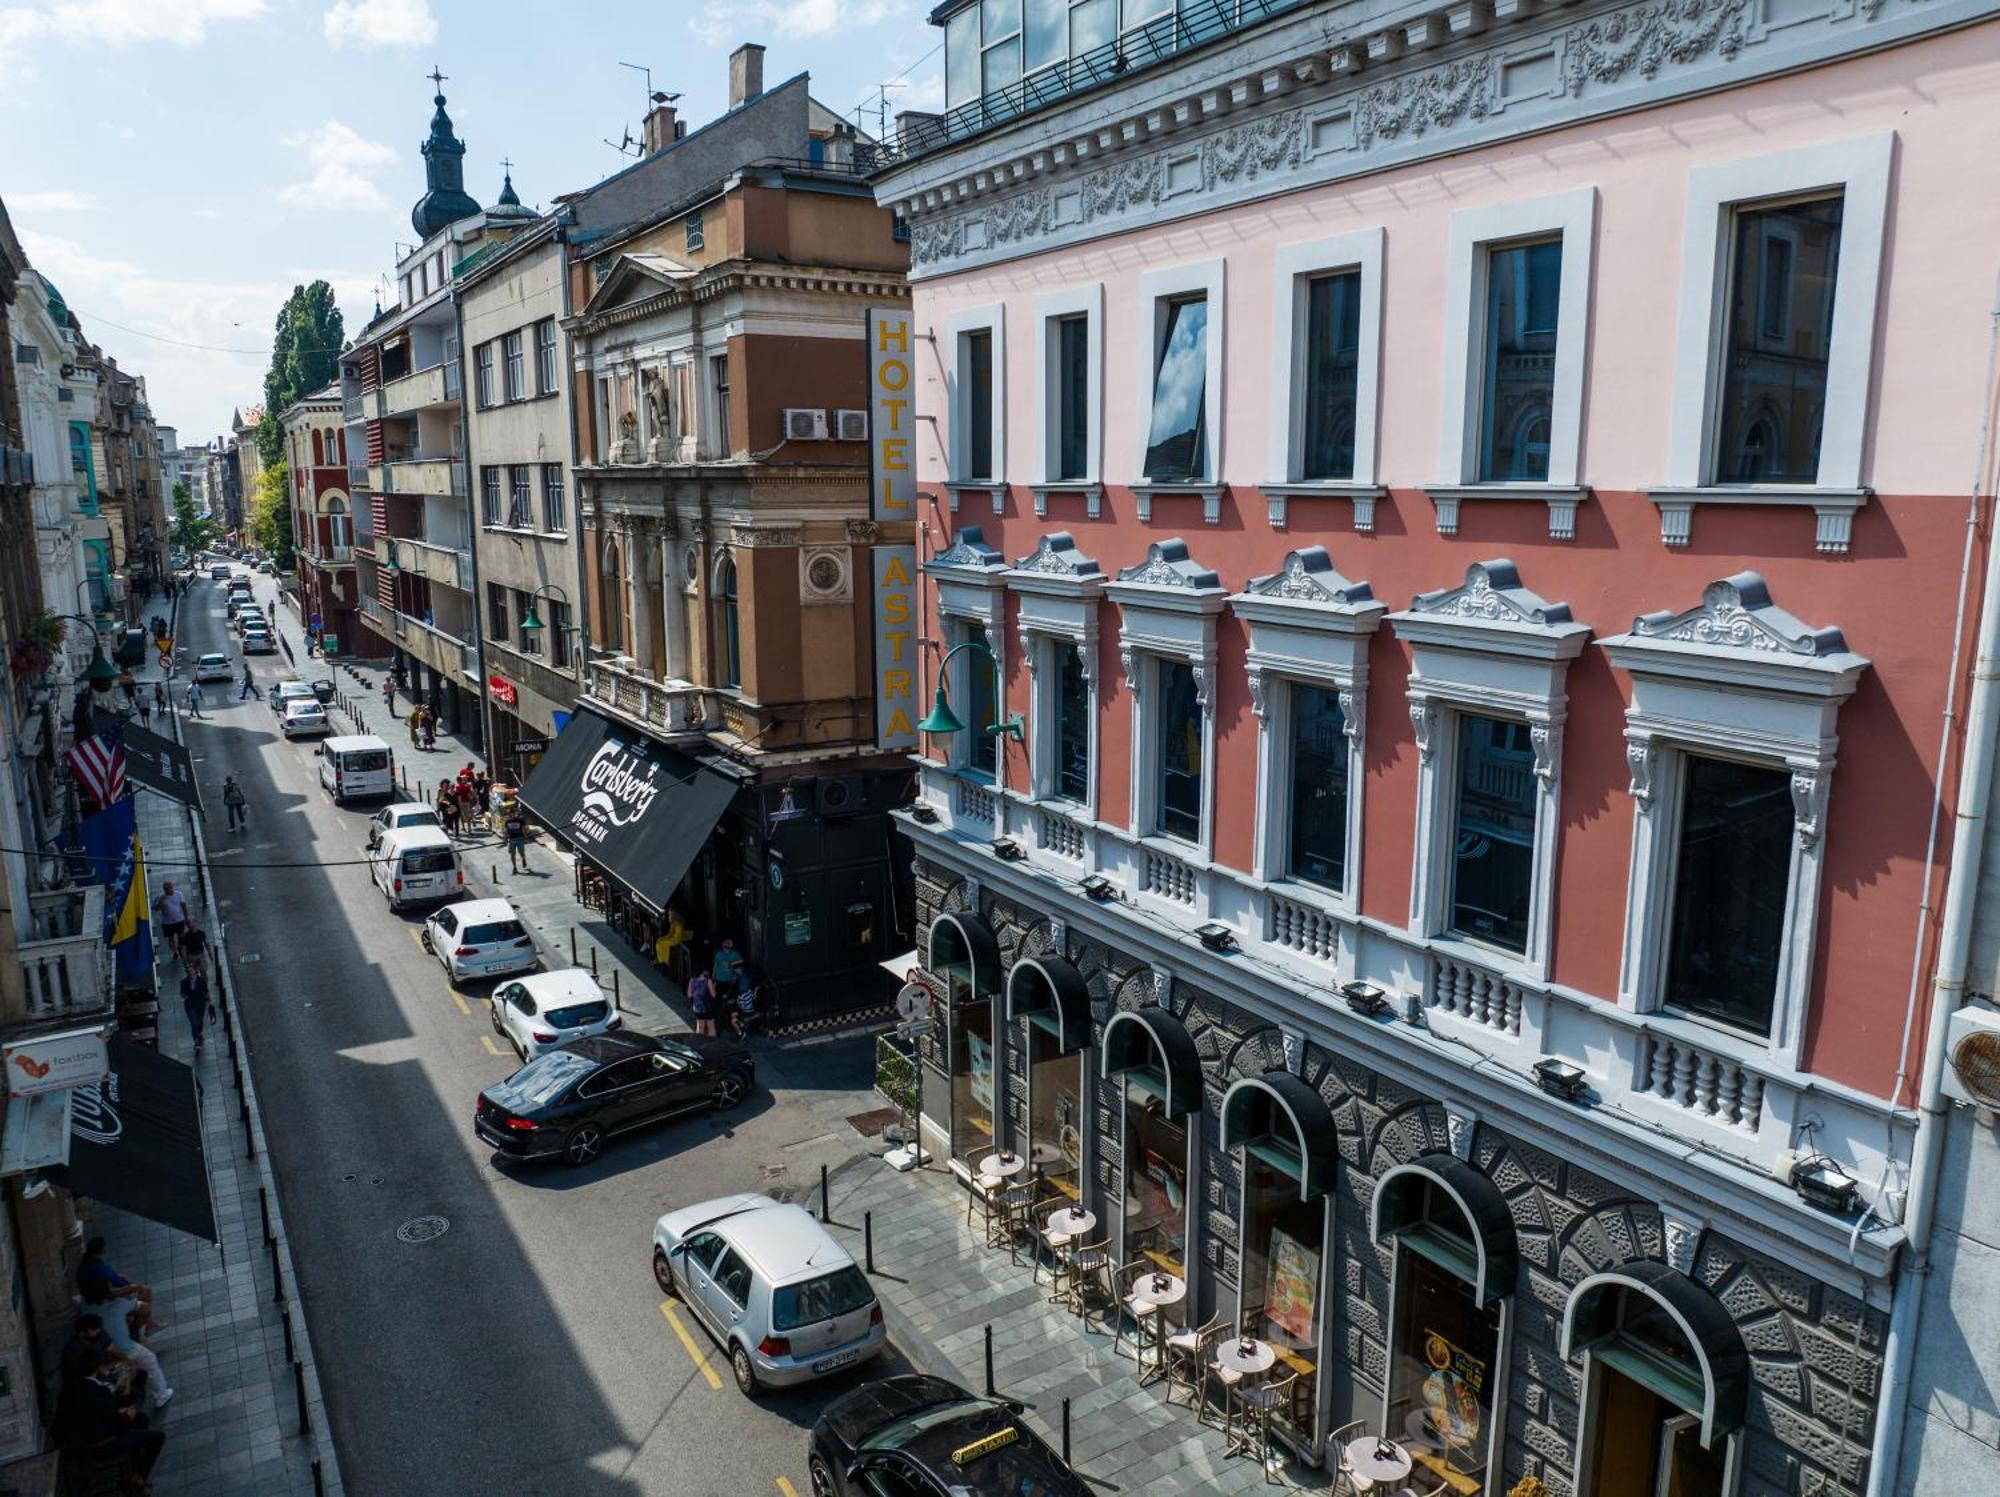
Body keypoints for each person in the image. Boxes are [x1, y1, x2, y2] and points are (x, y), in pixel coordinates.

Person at [70, 1347, 167, 1483]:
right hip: (105, 1443)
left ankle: (135, 1467)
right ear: (97, 1368)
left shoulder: (70, 1390)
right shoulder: (99, 1391)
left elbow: (101, 1413)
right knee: (158, 1437)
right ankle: (139, 1476)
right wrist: (127, 1415)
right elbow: (117, 1421)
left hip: (83, 1441)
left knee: (142, 1419)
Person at [77, 1239, 160, 1335]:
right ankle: (140, 1330)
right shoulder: (99, 1269)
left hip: (92, 1299)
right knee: (145, 1295)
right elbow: (111, 1288)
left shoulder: (85, 1265)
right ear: (102, 1251)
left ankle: (145, 1323)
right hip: (103, 1302)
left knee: (134, 1291)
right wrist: (130, 1287)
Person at [152, 883, 188, 962]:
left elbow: (184, 906)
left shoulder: (179, 894)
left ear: (172, 887)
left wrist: (186, 918)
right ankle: (175, 952)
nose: (168, 890)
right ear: (164, 889)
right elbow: (155, 908)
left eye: (170, 888)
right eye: (166, 889)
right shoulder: (161, 897)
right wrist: (161, 901)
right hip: (167, 922)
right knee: (171, 938)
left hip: (179, 920)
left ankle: (181, 950)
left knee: (181, 936)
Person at [180, 968, 210, 1053]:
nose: (190, 973)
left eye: (192, 971)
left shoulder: (201, 981)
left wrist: (209, 1001)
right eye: (188, 972)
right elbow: (182, 993)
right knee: (194, 1023)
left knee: (199, 1021)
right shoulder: (184, 982)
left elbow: (206, 991)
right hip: (190, 1006)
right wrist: (185, 996)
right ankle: (196, 1041)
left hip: (200, 1005)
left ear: (195, 971)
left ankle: (200, 1034)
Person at [686, 968, 716, 1038]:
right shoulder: (708, 980)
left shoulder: (692, 980)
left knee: (700, 1026)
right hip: (708, 1007)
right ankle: (712, 1044)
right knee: (710, 1026)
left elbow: (689, 995)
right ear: (703, 971)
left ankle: (699, 1043)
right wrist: (714, 986)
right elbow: (713, 995)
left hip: (697, 1007)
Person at [502, 802, 528, 873]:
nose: (511, 815)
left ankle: (523, 858)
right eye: (510, 814)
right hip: (511, 839)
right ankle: (514, 867)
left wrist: (525, 836)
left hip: (519, 838)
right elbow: (506, 830)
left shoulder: (519, 820)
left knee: (521, 852)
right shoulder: (507, 821)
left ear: (514, 813)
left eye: (512, 814)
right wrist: (505, 838)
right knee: (512, 854)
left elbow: (523, 828)